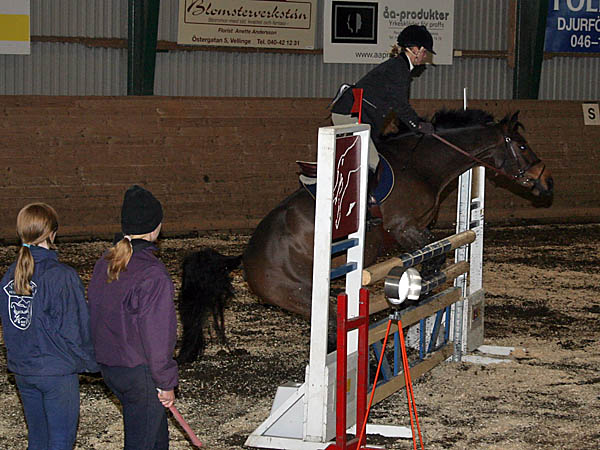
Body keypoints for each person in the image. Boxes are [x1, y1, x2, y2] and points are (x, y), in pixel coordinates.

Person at [0, 202, 98, 450]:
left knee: (38, 439)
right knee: (60, 442)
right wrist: (93, 364)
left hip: (23, 371)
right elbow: (75, 329)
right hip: (55, 372)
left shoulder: (10, 275)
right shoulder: (61, 276)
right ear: (52, 233)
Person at [87, 185, 178, 450]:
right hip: (140, 373)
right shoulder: (153, 274)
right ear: (155, 227)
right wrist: (165, 381)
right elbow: (157, 335)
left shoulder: (105, 262)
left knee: (156, 439)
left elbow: (95, 313)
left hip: (111, 367)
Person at [331, 24, 437, 173]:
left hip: (359, 116)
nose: (425, 56)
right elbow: (400, 105)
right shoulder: (399, 69)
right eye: (424, 51)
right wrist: (418, 125)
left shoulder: (399, 67)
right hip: (350, 114)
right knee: (373, 164)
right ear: (414, 49)